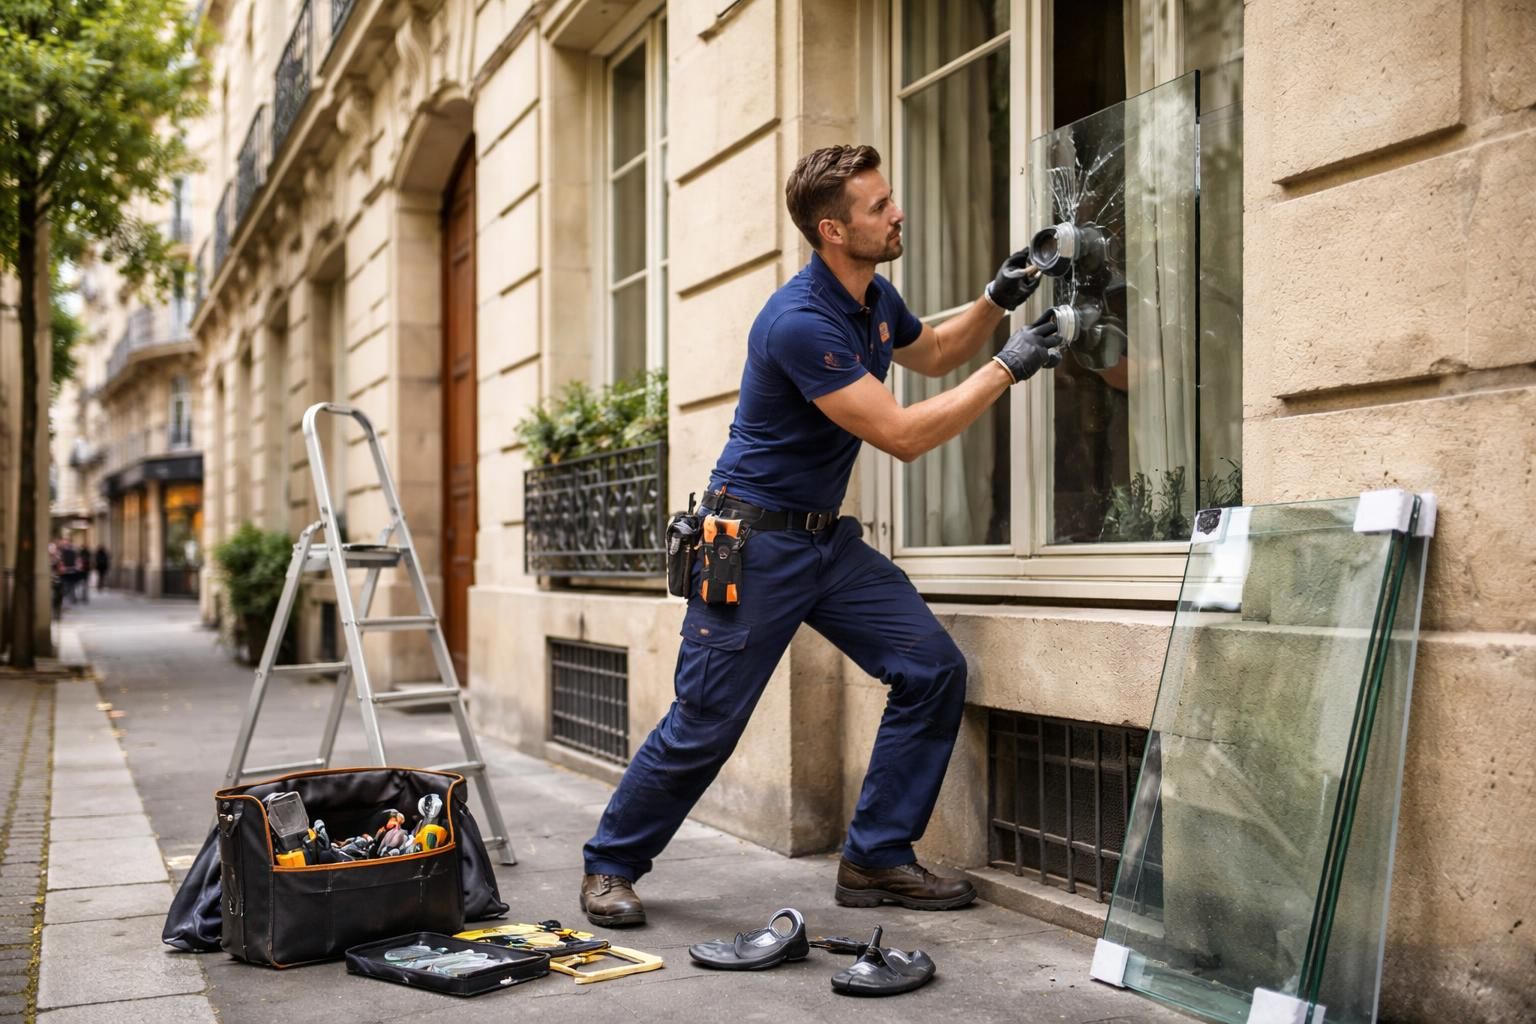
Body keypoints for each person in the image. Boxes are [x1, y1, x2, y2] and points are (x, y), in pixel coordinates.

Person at [579, 144, 1062, 927]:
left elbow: (934, 352)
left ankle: (875, 857)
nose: (897, 212)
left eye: (891, 198)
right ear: (834, 230)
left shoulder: (873, 298)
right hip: (754, 542)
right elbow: (902, 435)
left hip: (823, 543)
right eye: (879, 207)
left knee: (931, 668)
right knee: (706, 723)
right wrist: (1009, 367)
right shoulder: (801, 322)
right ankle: (610, 865)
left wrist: (994, 301)